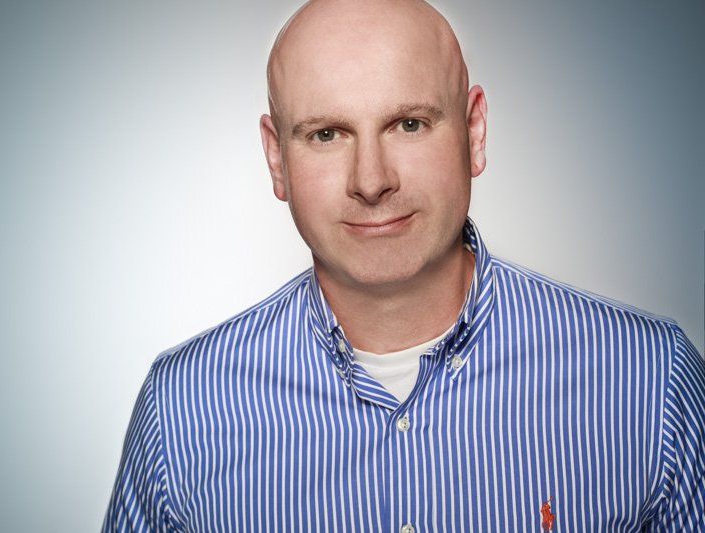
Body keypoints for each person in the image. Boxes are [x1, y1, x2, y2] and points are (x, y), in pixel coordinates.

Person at [102, 0, 705, 531]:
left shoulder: (651, 380)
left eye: (409, 124)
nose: (371, 181)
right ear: (276, 158)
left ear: (474, 131)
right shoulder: (182, 409)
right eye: (327, 134)